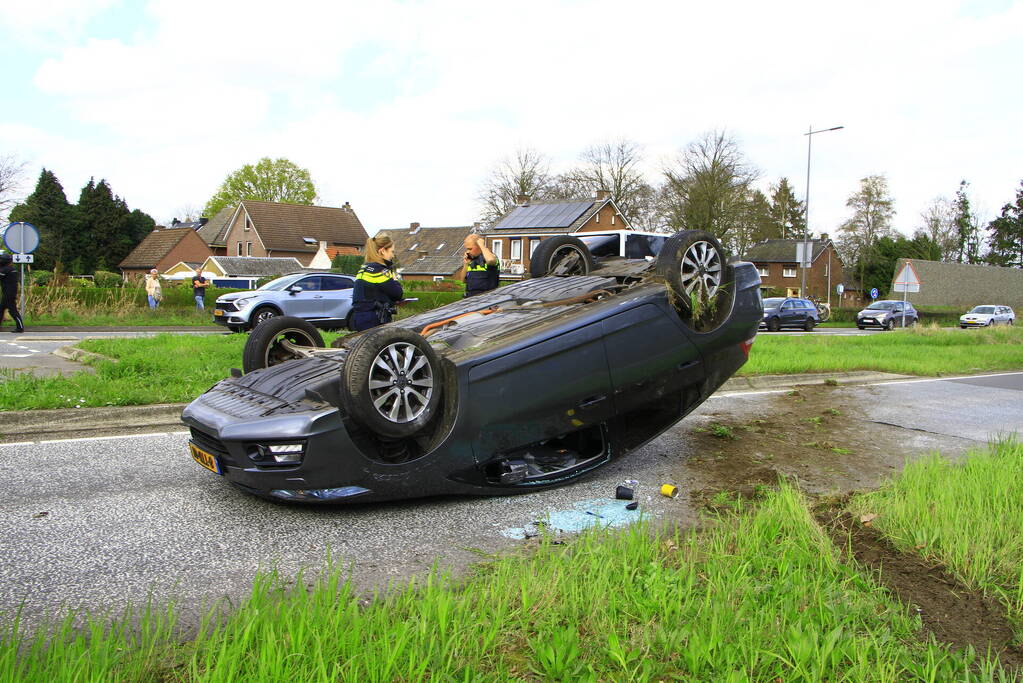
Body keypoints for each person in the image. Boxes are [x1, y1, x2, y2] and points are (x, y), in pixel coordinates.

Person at [351, 234, 403, 332]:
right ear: (382, 251)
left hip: (360, 317)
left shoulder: (365, 268)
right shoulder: (379, 271)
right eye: (392, 251)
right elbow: (398, 293)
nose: (392, 255)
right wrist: (395, 278)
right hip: (374, 319)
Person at [0, 254, 25, 333]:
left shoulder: (5, 270)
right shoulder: (11, 269)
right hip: (9, 293)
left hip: (8, 294)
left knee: (13, 311)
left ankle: (20, 327)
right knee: (1, 309)